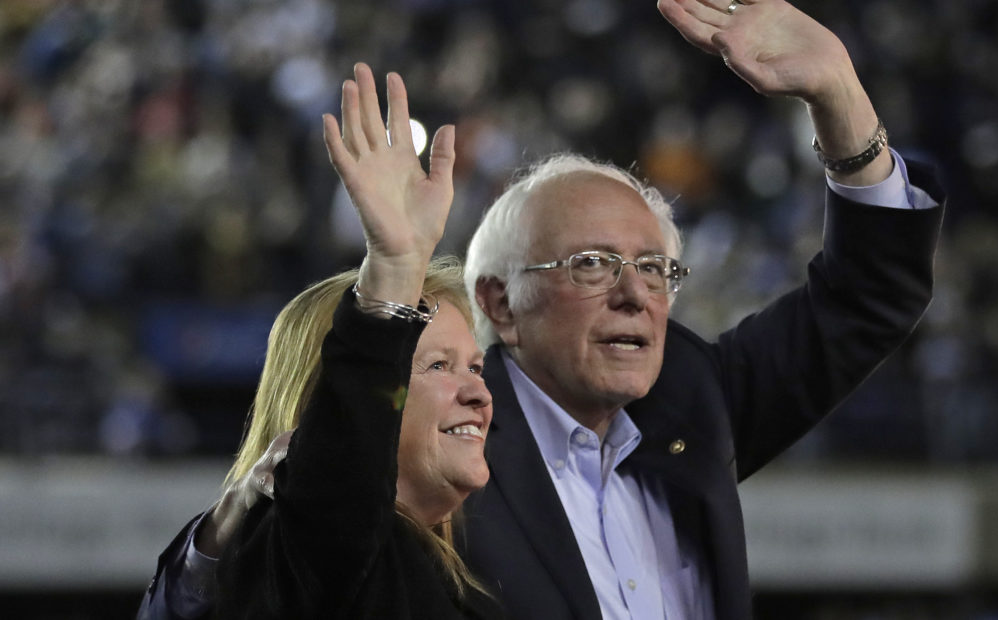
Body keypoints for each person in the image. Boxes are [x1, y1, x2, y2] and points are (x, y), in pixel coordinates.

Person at [139, 1, 946, 618]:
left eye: (658, 268)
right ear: (503, 305)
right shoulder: (440, 464)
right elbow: (314, 531)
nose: (637, 293)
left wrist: (840, 95)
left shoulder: (692, 402)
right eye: (592, 264)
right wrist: (390, 271)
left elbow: (866, 298)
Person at [139, 64, 503, 619]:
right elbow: (340, 473)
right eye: (436, 366)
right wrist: (395, 269)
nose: (478, 394)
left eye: (474, 368)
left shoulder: (461, 581)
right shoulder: (330, 553)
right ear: (327, 404)